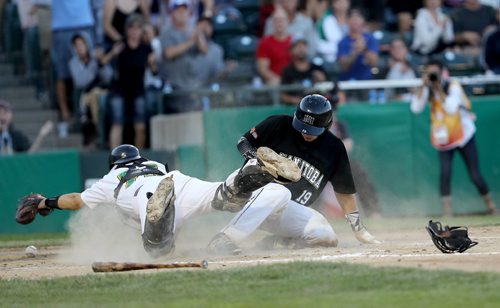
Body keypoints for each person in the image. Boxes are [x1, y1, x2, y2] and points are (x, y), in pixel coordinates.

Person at [27, 143, 300, 258]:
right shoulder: (154, 163)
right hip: (178, 181)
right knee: (225, 197)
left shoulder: (111, 179)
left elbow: (76, 201)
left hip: (145, 196)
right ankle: (253, 173)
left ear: (113, 165)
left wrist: (44, 203)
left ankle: (159, 219)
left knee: (158, 249)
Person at [207, 94, 380, 254]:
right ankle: (225, 239)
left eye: (312, 130)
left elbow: (345, 192)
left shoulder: (334, 149)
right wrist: (255, 159)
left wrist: (358, 230)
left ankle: (279, 241)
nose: (306, 133)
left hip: (285, 212)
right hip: (254, 200)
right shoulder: (279, 124)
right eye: (303, 127)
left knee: (325, 236)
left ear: (327, 125)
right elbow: (243, 142)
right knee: (279, 191)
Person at [410, 59, 496, 216]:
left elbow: (451, 108)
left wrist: (438, 89)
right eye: (430, 73)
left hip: (464, 135)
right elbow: (415, 108)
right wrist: (423, 85)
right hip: (444, 139)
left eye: (435, 72)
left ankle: (491, 206)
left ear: (442, 72)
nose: (433, 76)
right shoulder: (427, 89)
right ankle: (447, 211)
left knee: (475, 175)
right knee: (445, 173)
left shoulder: (453, 86)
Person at [104, 14, 157, 149]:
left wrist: (152, 62)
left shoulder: (146, 48)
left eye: (137, 28)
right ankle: (115, 160)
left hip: (138, 90)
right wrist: (113, 53)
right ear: (127, 30)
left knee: (140, 126)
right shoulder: (120, 45)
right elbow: (103, 62)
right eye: (131, 28)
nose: (134, 31)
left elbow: (155, 71)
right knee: (117, 123)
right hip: (119, 89)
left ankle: (137, 158)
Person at [159, 0, 208, 112]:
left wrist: (198, 33)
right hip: (175, 86)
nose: (182, 14)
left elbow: (204, 50)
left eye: (184, 10)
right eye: (178, 11)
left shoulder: (192, 29)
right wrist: (190, 42)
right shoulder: (167, 32)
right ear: (172, 13)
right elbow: (169, 53)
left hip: (193, 84)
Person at [280, 37, 327, 105]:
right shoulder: (288, 71)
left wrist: (323, 81)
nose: (301, 49)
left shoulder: (317, 68)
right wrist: (295, 100)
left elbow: (327, 90)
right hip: (296, 108)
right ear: (291, 50)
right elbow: (283, 95)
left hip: (317, 106)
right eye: (297, 46)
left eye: (303, 45)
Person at [337, 7, 379, 82]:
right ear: (347, 21)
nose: (355, 20)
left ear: (363, 20)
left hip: (367, 81)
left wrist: (365, 48)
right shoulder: (343, 42)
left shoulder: (370, 38)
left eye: (358, 17)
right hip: (347, 82)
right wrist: (355, 52)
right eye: (352, 18)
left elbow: (374, 63)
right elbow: (343, 67)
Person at [256, 6, 292, 86]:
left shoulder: (294, 41)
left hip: (293, 79)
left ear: (287, 21)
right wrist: (278, 79)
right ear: (272, 22)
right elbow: (263, 69)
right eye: (276, 20)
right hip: (275, 81)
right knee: (273, 83)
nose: (279, 23)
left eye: (282, 20)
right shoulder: (265, 42)